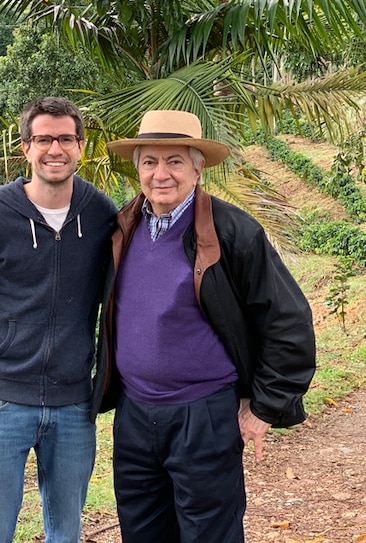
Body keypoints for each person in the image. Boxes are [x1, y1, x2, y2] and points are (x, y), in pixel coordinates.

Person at [95, 110, 317, 543]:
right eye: (150, 162)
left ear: (198, 168)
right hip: (135, 418)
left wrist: (264, 407)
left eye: (175, 161)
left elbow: (288, 320)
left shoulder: (232, 230)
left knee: (209, 534)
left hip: (205, 416)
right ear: (137, 169)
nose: (162, 174)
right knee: (142, 531)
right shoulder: (124, 226)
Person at [0, 96, 118, 543]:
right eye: (43, 139)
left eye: (65, 139)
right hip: (3, 401)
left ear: (81, 147)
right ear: (26, 148)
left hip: (74, 402)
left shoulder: (101, 215)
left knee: (67, 528)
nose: (54, 149)